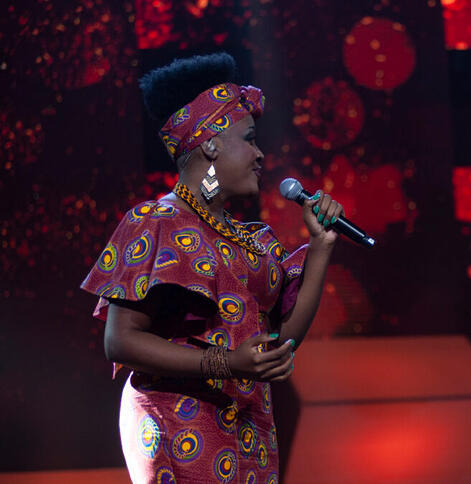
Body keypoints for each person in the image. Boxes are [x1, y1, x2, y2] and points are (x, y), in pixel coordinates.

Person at [81, 53, 344, 483]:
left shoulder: (251, 239)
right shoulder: (155, 222)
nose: (261, 155)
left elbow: (282, 342)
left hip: (249, 421)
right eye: (250, 139)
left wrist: (320, 246)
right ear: (210, 143)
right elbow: (120, 342)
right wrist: (224, 363)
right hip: (176, 419)